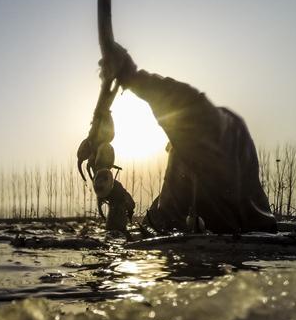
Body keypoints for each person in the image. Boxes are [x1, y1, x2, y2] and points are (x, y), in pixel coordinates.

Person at [99, 42, 277, 235]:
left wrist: (133, 77)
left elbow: (194, 112)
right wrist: (115, 196)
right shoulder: (177, 184)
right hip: (191, 241)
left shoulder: (228, 134)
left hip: (245, 236)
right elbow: (156, 222)